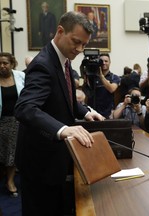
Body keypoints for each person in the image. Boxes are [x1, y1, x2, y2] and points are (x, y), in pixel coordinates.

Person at [14, 11, 105, 215]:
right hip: (39, 161)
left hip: (54, 159)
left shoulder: (63, 58)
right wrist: (63, 129)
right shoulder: (43, 64)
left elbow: (63, 98)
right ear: (60, 31)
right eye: (76, 42)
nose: (80, 49)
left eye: (84, 45)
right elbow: (25, 108)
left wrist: (85, 111)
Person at [0, 53, 25, 197]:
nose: (2, 66)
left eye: (5, 63)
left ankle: (10, 181)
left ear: (12, 64)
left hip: (16, 121)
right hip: (1, 121)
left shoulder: (20, 76)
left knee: (11, 153)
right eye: (0, 63)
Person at [82, 53, 121, 119]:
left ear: (110, 62)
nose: (104, 63)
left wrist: (101, 76)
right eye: (101, 61)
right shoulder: (92, 76)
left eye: (106, 61)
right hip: (92, 112)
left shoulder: (114, 77)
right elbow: (87, 93)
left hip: (107, 113)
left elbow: (111, 89)